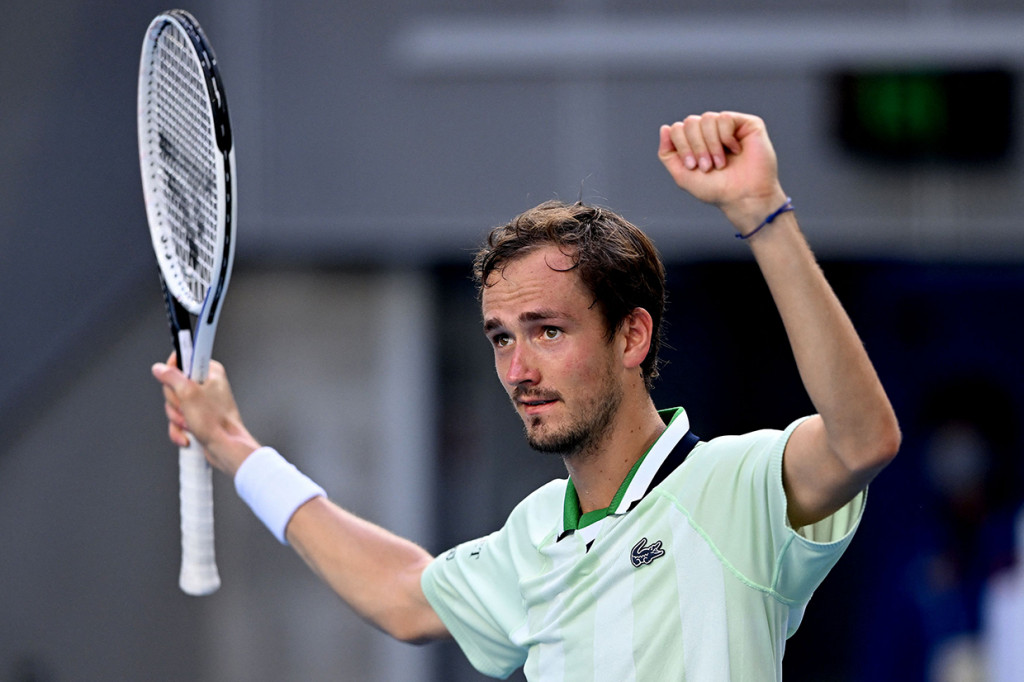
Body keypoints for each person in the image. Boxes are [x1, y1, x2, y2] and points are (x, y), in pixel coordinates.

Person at [152, 111, 901, 680]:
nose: (517, 369)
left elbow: (864, 439)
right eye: (502, 337)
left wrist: (763, 214)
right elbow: (404, 593)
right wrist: (236, 448)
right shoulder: (534, 532)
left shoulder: (737, 486)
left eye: (547, 330)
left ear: (631, 337)